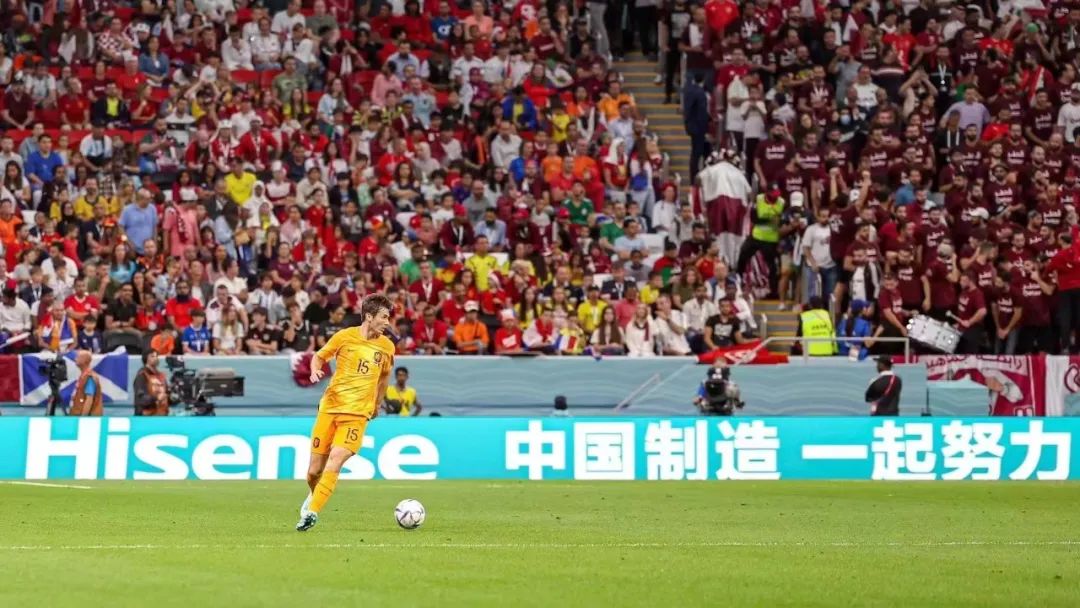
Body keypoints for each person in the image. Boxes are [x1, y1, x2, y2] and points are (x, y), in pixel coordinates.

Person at [297, 294, 395, 532]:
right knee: (313, 472)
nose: (387, 322)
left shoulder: (387, 347)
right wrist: (314, 371)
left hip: (357, 414)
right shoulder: (344, 337)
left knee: (336, 458)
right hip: (330, 409)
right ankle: (314, 496)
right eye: (383, 317)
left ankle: (312, 513)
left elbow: (383, 379)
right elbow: (319, 357)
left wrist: (377, 405)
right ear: (369, 316)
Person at [132, 350, 169, 416]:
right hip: (146, 416)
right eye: (152, 356)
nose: (156, 358)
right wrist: (156, 398)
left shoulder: (161, 376)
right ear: (146, 359)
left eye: (156, 356)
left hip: (162, 415)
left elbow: (167, 396)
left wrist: (173, 398)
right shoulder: (142, 376)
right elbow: (141, 399)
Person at [68, 350, 102, 416]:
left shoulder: (89, 377)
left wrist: (83, 418)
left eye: (78, 357)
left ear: (84, 360)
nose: (75, 359)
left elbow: (89, 400)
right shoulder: (83, 376)